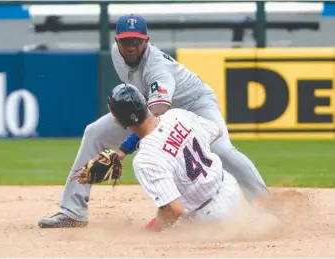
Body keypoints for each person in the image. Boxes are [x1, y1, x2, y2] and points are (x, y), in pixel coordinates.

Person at [38, 14, 267, 229]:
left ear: (147, 41)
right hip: (149, 108)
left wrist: (124, 149)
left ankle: (265, 202)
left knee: (222, 148)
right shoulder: (117, 55)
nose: (131, 46)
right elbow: (147, 114)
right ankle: (73, 212)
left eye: (137, 41)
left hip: (193, 104)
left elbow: (155, 115)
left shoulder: (157, 67)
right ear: (116, 41)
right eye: (126, 41)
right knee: (94, 132)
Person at [111, 84, 242, 231]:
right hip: (231, 189)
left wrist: (149, 231)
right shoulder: (177, 115)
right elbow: (216, 132)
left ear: (120, 121)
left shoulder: (145, 159)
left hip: (208, 218)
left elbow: (174, 210)